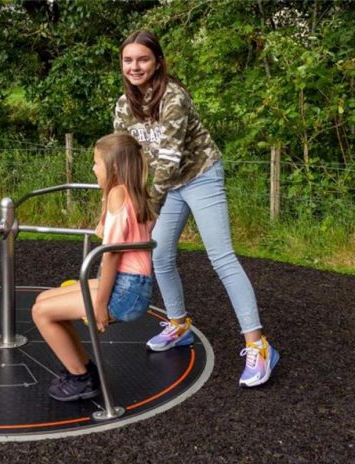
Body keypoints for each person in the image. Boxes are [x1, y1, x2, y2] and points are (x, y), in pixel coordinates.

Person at [113, 30, 279, 387]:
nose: (135, 66)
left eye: (143, 59)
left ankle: (259, 345)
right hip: (166, 185)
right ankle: (179, 325)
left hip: (199, 175)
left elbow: (170, 159)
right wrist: (122, 201)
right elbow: (124, 158)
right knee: (160, 255)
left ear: (157, 61)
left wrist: (148, 209)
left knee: (221, 257)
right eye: (128, 60)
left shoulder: (174, 96)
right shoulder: (123, 106)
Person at [32, 133, 156, 402]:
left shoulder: (117, 194)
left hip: (126, 290)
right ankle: (81, 367)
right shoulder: (130, 192)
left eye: (96, 163)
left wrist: (99, 305)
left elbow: (110, 255)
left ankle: (82, 378)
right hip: (131, 284)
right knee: (43, 300)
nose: (93, 168)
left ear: (112, 167)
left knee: (41, 312)